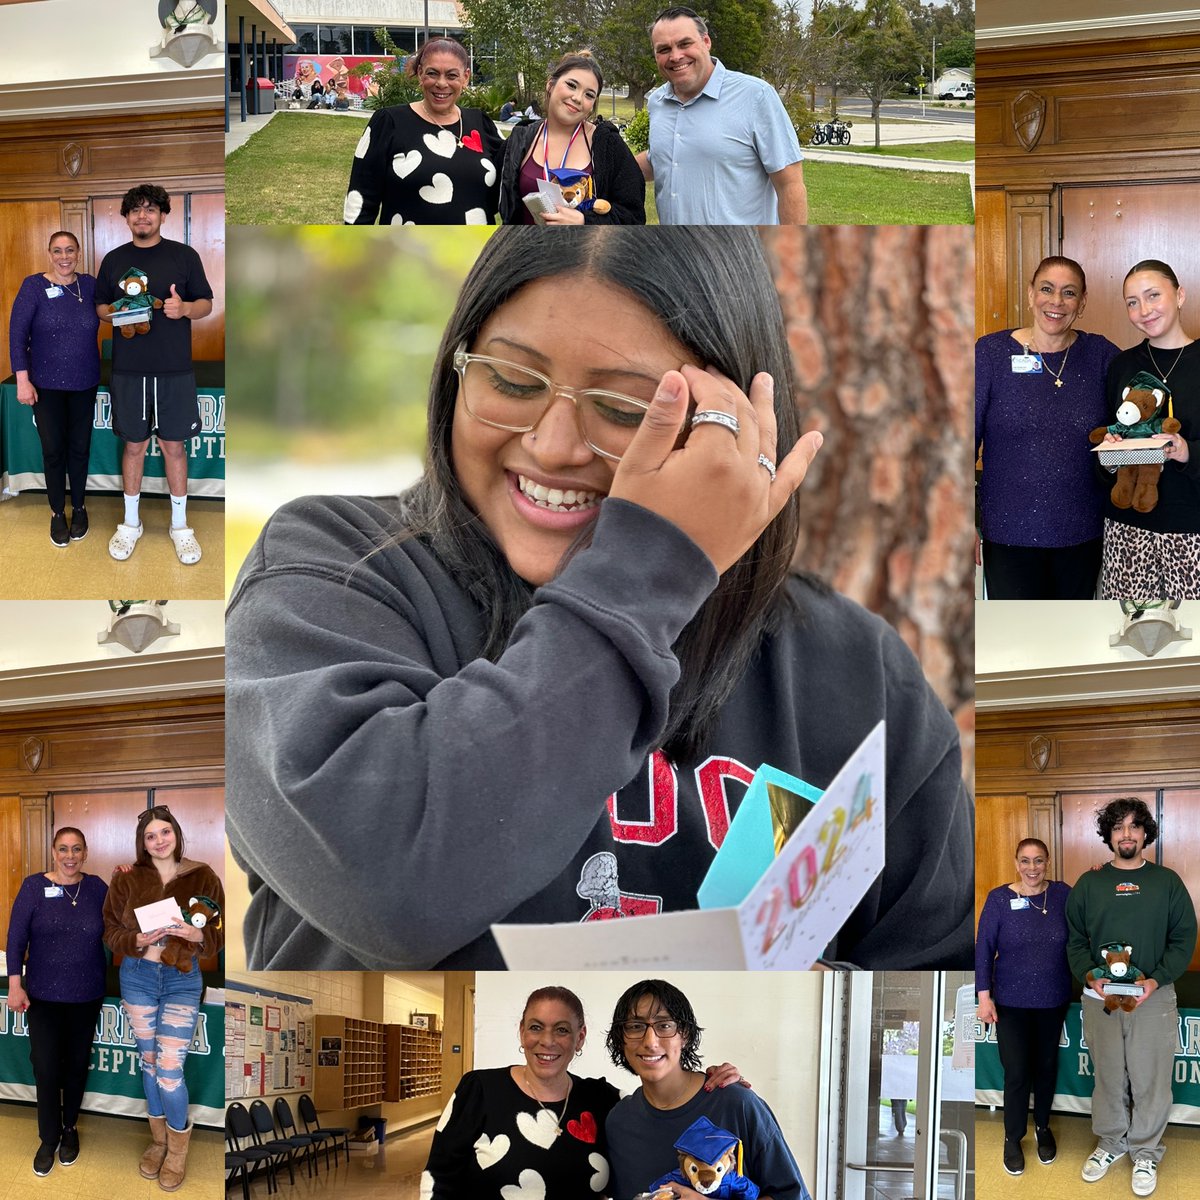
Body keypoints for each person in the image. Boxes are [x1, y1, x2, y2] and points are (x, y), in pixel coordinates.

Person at [225, 227, 973, 971]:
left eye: (626, 409)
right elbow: (392, 891)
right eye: (512, 383)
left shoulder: (851, 672)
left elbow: (933, 993)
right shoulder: (327, 577)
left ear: (733, 427)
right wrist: (652, 566)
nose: (552, 445)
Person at [422, 985, 746, 1197]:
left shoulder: (603, 1100)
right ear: (522, 1032)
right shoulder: (479, 1089)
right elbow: (438, 1181)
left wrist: (710, 1083)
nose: (547, 1041)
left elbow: (662, 1110)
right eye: (536, 1027)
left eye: (562, 1030)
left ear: (579, 1038)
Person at [1066, 798, 1197, 1196]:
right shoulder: (1089, 883)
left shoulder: (1167, 882)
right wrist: (1091, 976)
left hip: (1152, 997)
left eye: (1134, 827)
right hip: (1100, 997)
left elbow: (1183, 939)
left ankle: (1145, 1152)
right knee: (1107, 1076)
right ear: (1108, 834)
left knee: (1151, 1079)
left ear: (1145, 834)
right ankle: (1110, 1143)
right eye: (1118, 827)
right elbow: (1073, 940)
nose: (1126, 834)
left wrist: (1155, 981)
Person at [974, 256, 1120, 598]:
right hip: (1008, 532)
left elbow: (1135, 414)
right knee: (1016, 646)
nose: (1056, 301)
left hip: (1082, 532)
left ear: (1082, 302)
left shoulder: (1101, 355)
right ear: (1030, 294)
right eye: (1046, 289)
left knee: (1072, 644)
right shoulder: (991, 353)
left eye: (1069, 293)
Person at [102, 806, 224, 1190]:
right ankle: (158, 1142)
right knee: (150, 1063)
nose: (158, 841)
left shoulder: (203, 875)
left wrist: (197, 936)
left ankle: (177, 1149)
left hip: (181, 979)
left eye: (164, 833)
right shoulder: (127, 878)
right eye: (150, 836)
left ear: (176, 835)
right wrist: (135, 940)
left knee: (170, 1071)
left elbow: (218, 934)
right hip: (137, 976)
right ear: (143, 842)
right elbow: (109, 930)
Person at [94, 183, 214, 566]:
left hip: (174, 370)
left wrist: (185, 309)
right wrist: (113, 314)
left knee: (173, 447)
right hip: (128, 371)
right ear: (126, 217)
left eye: (150, 209)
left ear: (163, 214)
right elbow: (100, 306)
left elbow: (206, 304)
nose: (142, 216)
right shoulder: (113, 259)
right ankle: (131, 523)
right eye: (135, 210)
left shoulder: (184, 256)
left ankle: (180, 527)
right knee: (133, 446)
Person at [605, 979, 809, 1200]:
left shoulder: (737, 1103)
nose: (650, 1041)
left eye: (664, 1026)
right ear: (621, 1038)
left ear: (684, 1034)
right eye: (635, 1026)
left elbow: (793, 1195)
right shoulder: (619, 1121)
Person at [637, 8, 806, 225]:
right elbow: (663, 158)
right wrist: (601, 168)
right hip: (676, 251)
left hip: (739, 254)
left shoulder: (755, 95)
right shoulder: (657, 102)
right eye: (664, 49)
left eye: (685, 44)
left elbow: (790, 184)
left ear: (706, 41)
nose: (676, 56)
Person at [5, 827, 108, 1177]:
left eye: (76, 849)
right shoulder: (35, 887)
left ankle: (69, 1130)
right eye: (63, 848)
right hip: (43, 997)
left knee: (77, 1066)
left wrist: (127, 879)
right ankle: (48, 1138)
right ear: (53, 851)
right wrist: (15, 986)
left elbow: (121, 921)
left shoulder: (96, 888)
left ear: (86, 852)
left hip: (87, 995)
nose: (70, 856)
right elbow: (16, 938)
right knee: (47, 1068)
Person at [1098, 260, 1200, 598]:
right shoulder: (1121, 365)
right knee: (1126, 636)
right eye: (1132, 302)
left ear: (1180, 295)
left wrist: (1187, 451)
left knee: (1192, 644)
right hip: (1128, 530)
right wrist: (1110, 457)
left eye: (1153, 295)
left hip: (1192, 530)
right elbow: (1106, 439)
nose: (1144, 310)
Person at [975, 838, 1072, 1176]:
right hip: (1010, 1002)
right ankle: (1012, 1137)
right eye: (1025, 861)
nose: (1032, 868)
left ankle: (1043, 1128)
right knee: (1016, 1072)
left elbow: (1088, 916)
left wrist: (1098, 872)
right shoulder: (999, 899)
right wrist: (983, 997)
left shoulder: (1062, 894)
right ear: (1016, 863)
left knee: (1046, 1068)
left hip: (1052, 999)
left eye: (1039, 861)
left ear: (1047, 863)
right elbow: (984, 950)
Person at [344, 38, 505, 225]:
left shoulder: (482, 123)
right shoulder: (388, 122)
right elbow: (360, 201)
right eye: (432, 73)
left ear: (466, 77)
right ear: (420, 73)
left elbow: (513, 179)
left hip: (476, 249)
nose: (441, 83)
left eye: (452, 75)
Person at [8, 230, 101, 548]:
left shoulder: (89, 285)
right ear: (49, 254)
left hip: (85, 382)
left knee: (80, 449)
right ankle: (56, 512)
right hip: (45, 386)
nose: (64, 257)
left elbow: (114, 311)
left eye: (70, 250)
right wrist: (23, 379)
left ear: (78, 253)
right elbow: (16, 335)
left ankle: (79, 507)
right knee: (53, 452)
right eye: (58, 251)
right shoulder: (33, 286)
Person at [499, 52, 645, 226]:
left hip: (589, 252)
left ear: (592, 106)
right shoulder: (520, 139)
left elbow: (633, 216)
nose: (577, 98)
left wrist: (586, 221)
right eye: (571, 85)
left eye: (589, 95)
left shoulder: (608, 144)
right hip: (528, 251)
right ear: (550, 85)